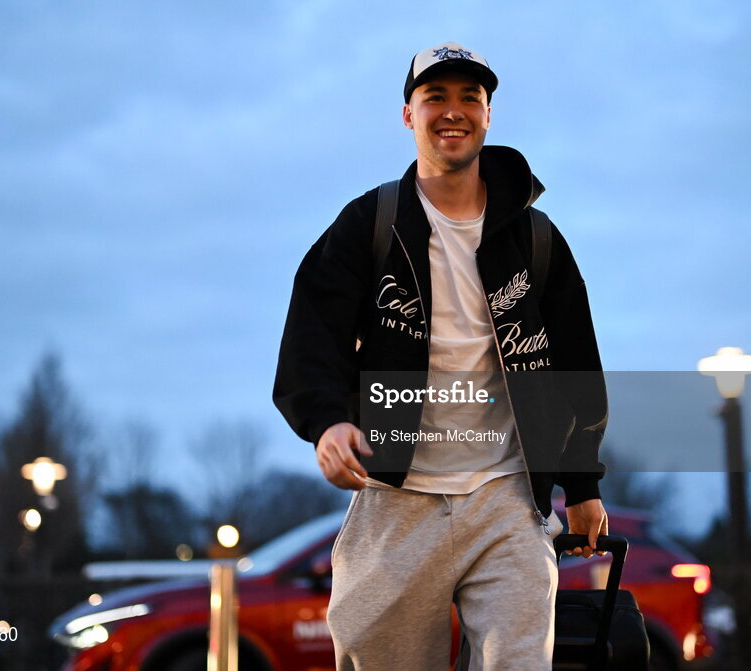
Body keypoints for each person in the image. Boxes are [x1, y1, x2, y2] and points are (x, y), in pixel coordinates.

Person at [274, 41, 609, 671]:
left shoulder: (535, 238)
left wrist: (582, 483)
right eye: (435, 97)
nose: (452, 111)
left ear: (488, 115)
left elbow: (576, 364)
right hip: (398, 497)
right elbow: (311, 335)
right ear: (408, 114)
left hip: (506, 496)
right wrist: (326, 422)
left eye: (469, 98)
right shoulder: (370, 224)